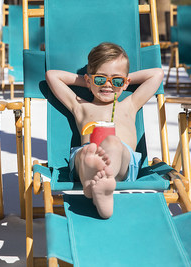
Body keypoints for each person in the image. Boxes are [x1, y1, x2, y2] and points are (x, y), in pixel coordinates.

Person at [45, 42, 164, 219]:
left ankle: (103, 180)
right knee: (88, 151)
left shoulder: (129, 105)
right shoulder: (81, 106)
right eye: (101, 79)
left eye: (116, 81)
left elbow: (157, 74)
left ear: (126, 83)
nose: (108, 86)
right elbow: (52, 76)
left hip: (122, 162)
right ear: (88, 80)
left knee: (112, 142)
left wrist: (119, 79)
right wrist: (91, 81)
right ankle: (98, 189)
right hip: (85, 159)